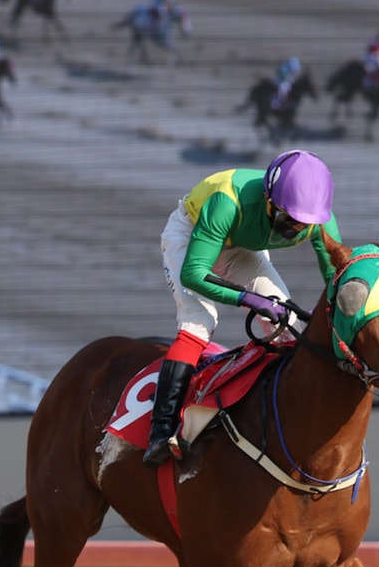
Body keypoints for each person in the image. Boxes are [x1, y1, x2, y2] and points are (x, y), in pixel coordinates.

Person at [143, 150, 342, 468]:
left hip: (241, 246)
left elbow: (336, 278)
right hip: (192, 235)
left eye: (303, 224)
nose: (293, 229)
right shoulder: (226, 202)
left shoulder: (319, 218)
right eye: (287, 219)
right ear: (268, 199)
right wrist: (249, 299)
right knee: (199, 321)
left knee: (289, 324)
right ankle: (161, 429)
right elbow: (193, 274)